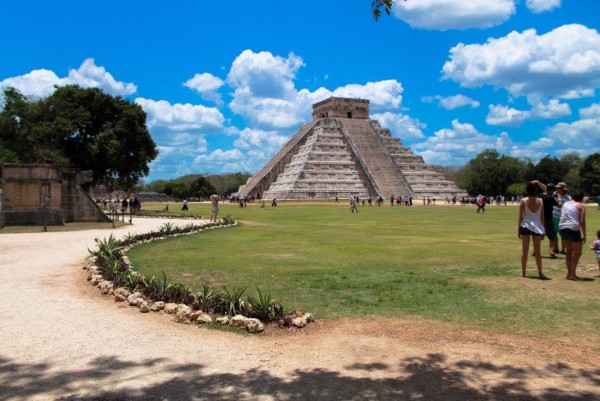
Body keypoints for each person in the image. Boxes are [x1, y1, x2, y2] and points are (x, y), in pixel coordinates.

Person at [518, 181, 546, 279]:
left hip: (525, 225)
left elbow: (521, 217)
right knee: (538, 251)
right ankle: (540, 273)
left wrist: (518, 229)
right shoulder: (540, 201)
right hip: (537, 226)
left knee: (524, 250)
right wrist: (543, 229)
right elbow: (542, 217)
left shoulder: (523, 201)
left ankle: (523, 272)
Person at [559, 192, 586, 280]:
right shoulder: (581, 206)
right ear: (581, 198)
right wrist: (584, 234)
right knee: (577, 252)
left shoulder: (566, 203)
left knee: (569, 251)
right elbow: (582, 221)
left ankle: (569, 273)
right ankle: (572, 274)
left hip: (562, 228)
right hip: (573, 228)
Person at [533, 181, 559, 259]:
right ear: (551, 190)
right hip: (548, 219)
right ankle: (551, 252)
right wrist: (559, 198)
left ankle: (535, 251)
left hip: (539, 219)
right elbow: (558, 205)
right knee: (552, 237)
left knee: (539, 236)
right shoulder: (550, 198)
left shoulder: (539, 196)